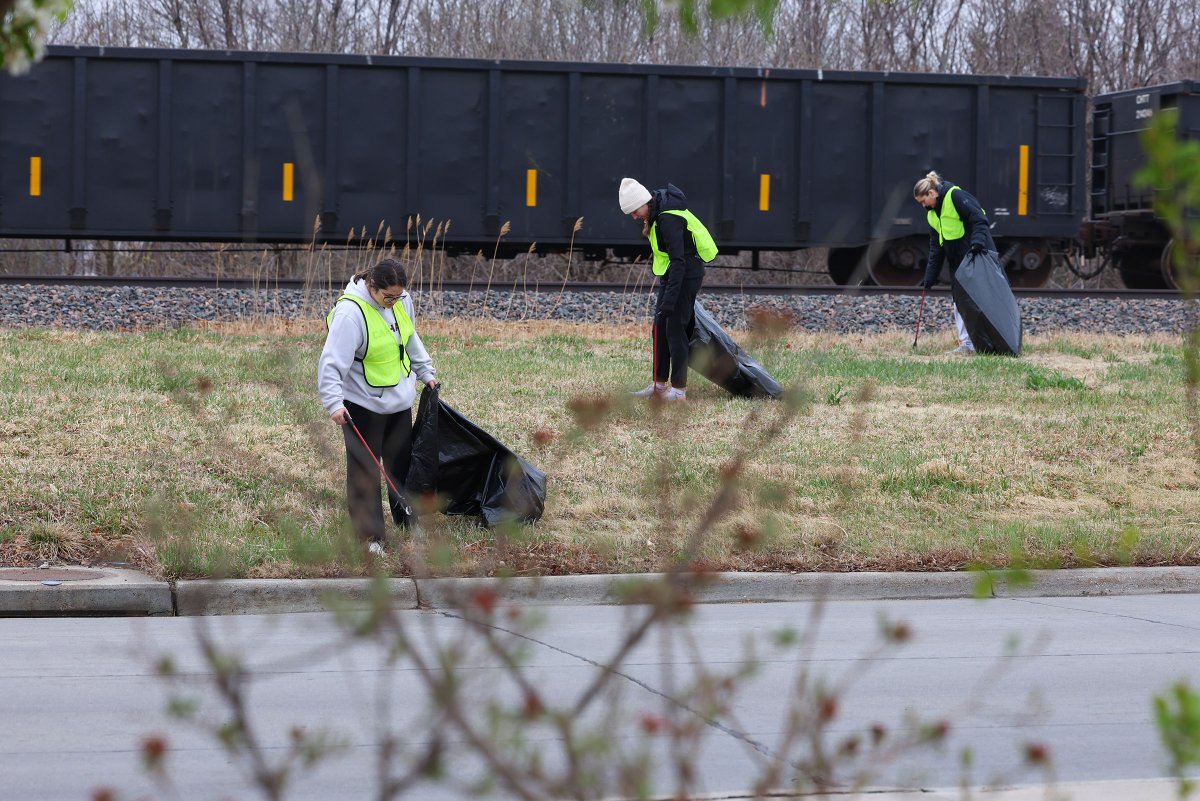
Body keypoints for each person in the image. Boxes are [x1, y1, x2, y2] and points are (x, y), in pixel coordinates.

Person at [318, 258, 438, 555]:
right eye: (388, 297)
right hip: (361, 406)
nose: (394, 302)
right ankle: (370, 537)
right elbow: (331, 363)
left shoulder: (401, 301)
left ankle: (408, 520)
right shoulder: (350, 313)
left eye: (398, 296)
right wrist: (334, 403)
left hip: (398, 403)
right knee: (365, 472)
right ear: (371, 286)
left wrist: (426, 373)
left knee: (402, 465)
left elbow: (410, 339)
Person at [618, 177, 718, 400]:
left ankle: (679, 390)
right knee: (659, 328)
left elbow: (679, 261)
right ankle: (659, 386)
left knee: (675, 330)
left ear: (644, 202)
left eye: (634, 211)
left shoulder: (668, 218)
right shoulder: (656, 213)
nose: (634, 217)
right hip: (671, 275)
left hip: (686, 276)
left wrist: (670, 301)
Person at [914, 171, 996, 355]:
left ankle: (989, 343)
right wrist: (930, 277)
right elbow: (936, 248)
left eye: (923, 201)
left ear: (932, 193)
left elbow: (979, 219)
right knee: (959, 302)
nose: (922, 206)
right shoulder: (932, 215)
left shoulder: (956, 196)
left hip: (975, 257)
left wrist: (977, 243)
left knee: (979, 301)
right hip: (957, 263)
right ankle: (968, 345)